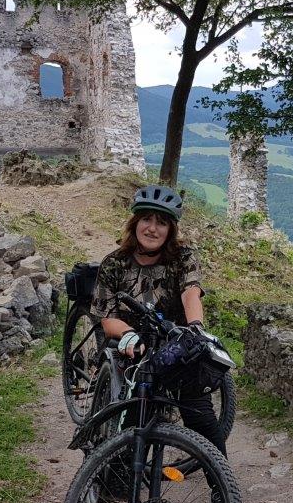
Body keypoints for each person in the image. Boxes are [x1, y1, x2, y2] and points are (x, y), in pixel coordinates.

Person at [88, 185, 227, 487]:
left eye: (161, 222)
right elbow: (106, 317)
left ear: (171, 229)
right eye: (146, 220)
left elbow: (191, 292)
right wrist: (129, 335)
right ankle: (124, 471)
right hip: (129, 344)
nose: (152, 228)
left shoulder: (182, 258)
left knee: (199, 412)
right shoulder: (114, 263)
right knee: (138, 406)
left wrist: (195, 329)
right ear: (134, 222)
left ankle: (221, 484)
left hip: (172, 343)